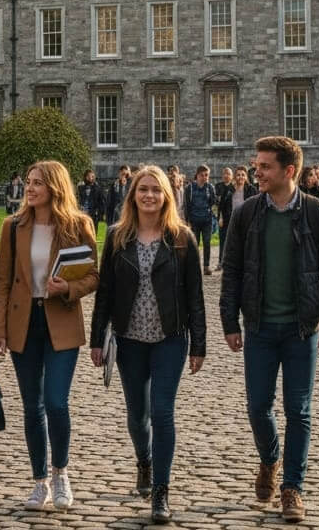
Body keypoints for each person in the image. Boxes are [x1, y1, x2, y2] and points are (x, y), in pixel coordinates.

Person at [219, 136, 319, 524]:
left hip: (301, 329)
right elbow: (233, 271)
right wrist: (229, 321)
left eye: (265, 166)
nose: (256, 172)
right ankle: (270, 458)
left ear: (288, 171)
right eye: (256, 165)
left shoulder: (318, 214)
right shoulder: (247, 214)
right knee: (258, 407)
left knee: (299, 410)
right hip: (258, 327)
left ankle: (293, 488)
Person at [90, 166, 205, 525]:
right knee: (137, 415)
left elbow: (196, 297)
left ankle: (161, 492)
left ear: (167, 196)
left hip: (170, 337)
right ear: (133, 195)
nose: (150, 195)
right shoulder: (117, 237)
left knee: (162, 412)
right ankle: (144, 460)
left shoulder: (182, 239)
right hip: (129, 337)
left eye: (157, 190)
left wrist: (199, 345)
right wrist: (97, 339)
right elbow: (105, 292)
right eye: (143, 189)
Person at [0, 161, 99, 512]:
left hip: (61, 319)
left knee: (56, 402)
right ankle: (39, 481)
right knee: (32, 406)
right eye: (29, 182)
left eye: (38, 183)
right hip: (24, 322)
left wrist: (68, 287)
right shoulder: (13, 226)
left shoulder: (78, 225)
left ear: (55, 187)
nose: (30, 188)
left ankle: (61, 474)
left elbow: (94, 276)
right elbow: (2, 282)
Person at [217, 167, 256, 269]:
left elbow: (257, 205)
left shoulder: (251, 189)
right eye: (238, 175)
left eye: (243, 175)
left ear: (246, 177)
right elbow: (221, 205)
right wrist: (220, 218)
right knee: (231, 243)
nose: (240, 177)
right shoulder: (229, 189)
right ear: (235, 176)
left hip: (247, 220)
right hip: (231, 220)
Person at [184, 166, 217, 275]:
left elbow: (213, 203)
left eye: (207, 175)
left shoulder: (210, 188)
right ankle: (195, 266)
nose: (204, 177)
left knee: (207, 243)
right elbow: (187, 205)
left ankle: (206, 266)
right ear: (197, 175)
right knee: (195, 244)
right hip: (194, 220)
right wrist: (187, 221)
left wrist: (214, 216)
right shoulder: (190, 188)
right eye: (202, 175)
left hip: (207, 220)